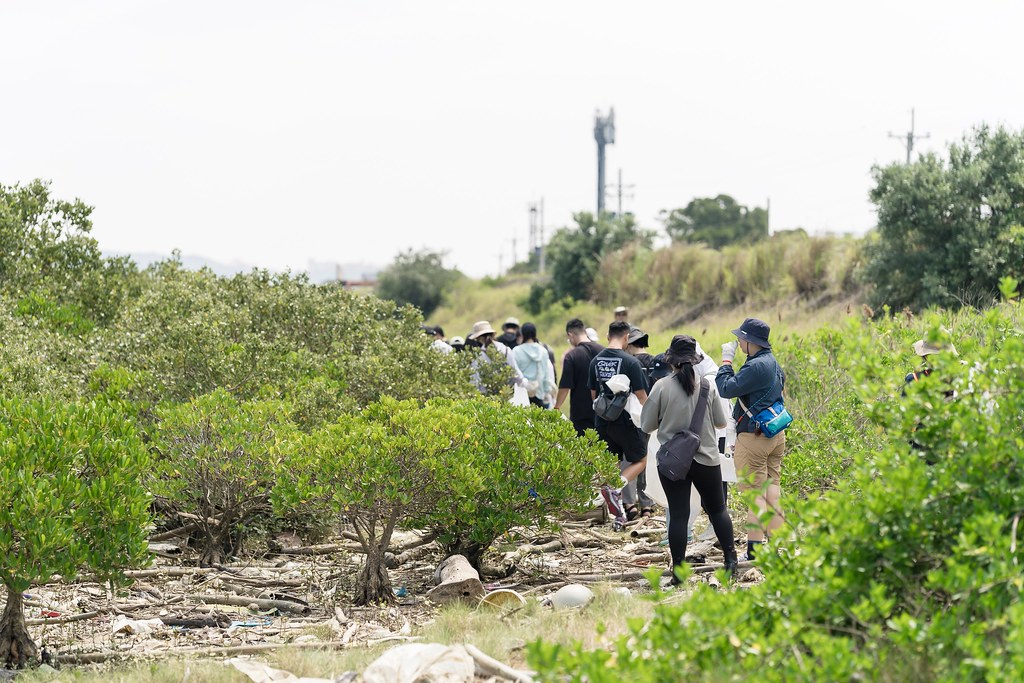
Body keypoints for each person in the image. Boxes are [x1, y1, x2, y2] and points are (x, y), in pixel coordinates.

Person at [641, 335, 737, 582]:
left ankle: (679, 573)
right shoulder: (708, 386)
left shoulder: (661, 386)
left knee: (679, 514)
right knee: (717, 509)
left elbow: (646, 425)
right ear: (695, 361)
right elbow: (721, 422)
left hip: (674, 462)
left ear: (670, 360)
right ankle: (730, 561)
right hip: (706, 458)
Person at [715, 317, 786, 561]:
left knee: (755, 494)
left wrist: (726, 361)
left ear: (749, 341)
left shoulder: (756, 366)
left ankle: (754, 551)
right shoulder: (773, 363)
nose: (738, 342)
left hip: (754, 437)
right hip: (775, 434)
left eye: (740, 339)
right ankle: (778, 547)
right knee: (772, 490)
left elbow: (725, 388)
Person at [589, 321, 650, 526]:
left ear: (608, 336)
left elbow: (594, 395)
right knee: (641, 460)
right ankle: (616, 489)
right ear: (626, 338)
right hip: (625, 421)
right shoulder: (630, 362)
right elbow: (642, 396)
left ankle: (618, 517)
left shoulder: (595, 361)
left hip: (602, 421)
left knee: (610, 466)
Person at [625, 326, 658, 518]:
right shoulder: (655, 361)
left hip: (630, 418)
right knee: (648, 458)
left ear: (629, 344)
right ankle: (647, 503)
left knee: (632, 460)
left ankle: (630, 504)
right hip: (652, 416)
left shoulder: (628, 363)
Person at [554, 319, 604, 435]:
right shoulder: (603, 351)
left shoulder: (572, 356)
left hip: (581, 414)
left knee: (584, 450)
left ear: (570, 335)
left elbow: (565, 386)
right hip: (604, 411)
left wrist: (557, 406)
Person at [467, 320, 525, 392]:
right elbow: (516, 374)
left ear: (479, 338)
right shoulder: (505, 349)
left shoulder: (478, 355)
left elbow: (475, 381)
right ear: (492, 335)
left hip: (487, 397)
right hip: (506, 394)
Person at [513, 323, 557, 408]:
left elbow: (515, 373)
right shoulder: (543, 351)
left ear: (523, 334)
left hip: (522, 394)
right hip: (539, 392)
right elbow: (546, 375)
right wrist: (547, 392)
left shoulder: (516, 351)